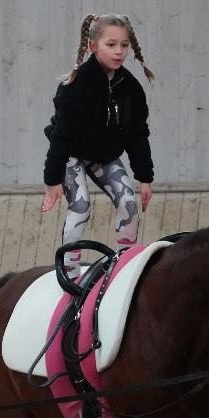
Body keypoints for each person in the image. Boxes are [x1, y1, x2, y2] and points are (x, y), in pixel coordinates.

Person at [42, 14, 155, 280]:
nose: (119, 51)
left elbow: (138, 135)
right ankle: (69, 272)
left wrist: (145, 177)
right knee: (81, 207)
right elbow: (61, 135)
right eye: (111, 44)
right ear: (93, 46)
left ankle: (123, 265)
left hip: (104, 156)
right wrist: (53, 179)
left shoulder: (131, 88)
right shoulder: (75, 85)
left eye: (124, 45)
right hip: (72, 154)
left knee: (128, 202)